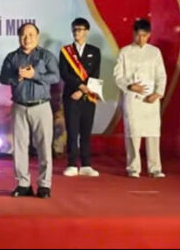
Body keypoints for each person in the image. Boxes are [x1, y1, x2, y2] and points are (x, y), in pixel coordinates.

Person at [0, 22, 60, 199]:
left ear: (37, 37)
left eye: (31, 35)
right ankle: (23, 183)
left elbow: (55, 77)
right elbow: (3, 78)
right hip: (19, 105)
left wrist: (35, 75)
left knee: (44, 147)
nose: (27, 38)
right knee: (19, 147)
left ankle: (44, 185)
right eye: (24, 35)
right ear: (19, 37)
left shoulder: (46, 56)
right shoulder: (12, 57)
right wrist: (16, 77)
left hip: (41, 106)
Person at [113, 19, 167, 179]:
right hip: (133, 97)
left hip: (151, 98)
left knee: (153, 133)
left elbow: (161, 75)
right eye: (138, 35)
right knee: (133, 133)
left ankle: (155, 168)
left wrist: (158, 93)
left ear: (149, 35)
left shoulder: (155, 52)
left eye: (144, 35)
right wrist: (130, 86)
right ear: (133, 34)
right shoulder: (125, 52)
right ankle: (133, 167)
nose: (141, 39)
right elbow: (117, 76)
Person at [59, 18, 101, 177]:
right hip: (71, 96)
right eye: (75, 29)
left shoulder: (94, 51)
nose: (77, 32)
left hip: (88, 97)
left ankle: (86, 164)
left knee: (86, 131)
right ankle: (71, 164)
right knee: (72, 131)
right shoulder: (66, 51)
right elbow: (64, 73)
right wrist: (79, 86)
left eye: (80, 29)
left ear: (86, 31)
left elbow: (95, 74)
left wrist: (83, 91)